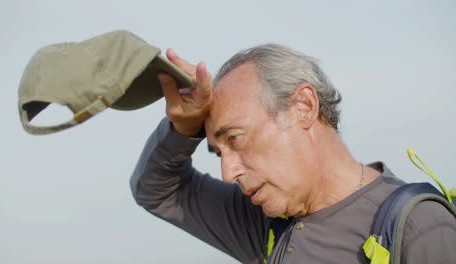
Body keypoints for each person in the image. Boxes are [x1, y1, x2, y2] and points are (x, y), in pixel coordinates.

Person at [130, 45, 456, 263]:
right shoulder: (266, 222)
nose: (228, 173)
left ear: (303, 108)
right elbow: (156, 190)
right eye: (218, 153)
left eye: (236, 139)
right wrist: (184, 127)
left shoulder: (419, 228)